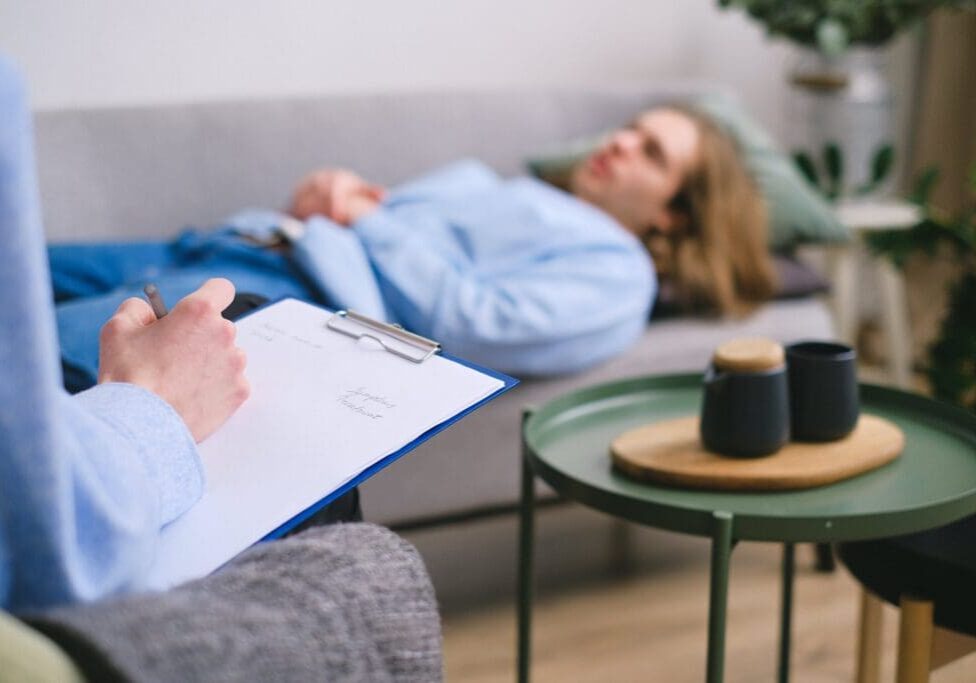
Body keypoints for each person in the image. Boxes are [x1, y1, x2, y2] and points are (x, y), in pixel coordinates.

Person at [51, 101, 776, 392]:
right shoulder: (507, 187)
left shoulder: (617, 274)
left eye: (650, 151)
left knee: (26, 355)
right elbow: (374, 217)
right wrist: (335, 191)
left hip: (267, 287)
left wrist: (363, 215)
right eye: (629, 127)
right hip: (223, 241)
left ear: (678, 215)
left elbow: (473, 319)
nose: (620, 140)